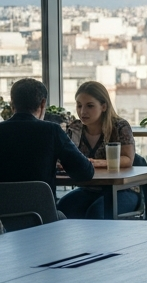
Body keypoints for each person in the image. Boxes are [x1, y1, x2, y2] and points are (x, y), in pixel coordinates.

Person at [57, 81, 137, 219]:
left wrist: (98, 162)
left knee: (96, 213)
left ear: (104, 106)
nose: (83, 111)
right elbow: (64, 158)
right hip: (89, 189)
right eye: (79, 105)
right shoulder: (75, 129)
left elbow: (127, 160)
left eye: (90, 106)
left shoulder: (119, 126)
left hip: (122, 190)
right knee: (60, 210)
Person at [0, 78, 93, 192]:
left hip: (4, 209)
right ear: (43, 103)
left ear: (12, 105)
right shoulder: (52, 131)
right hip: (42, 208)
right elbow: (85, 172)